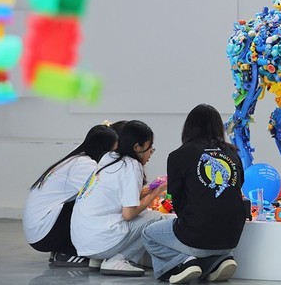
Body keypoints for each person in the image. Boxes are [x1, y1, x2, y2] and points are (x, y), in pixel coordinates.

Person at [143, 103, 246, 283]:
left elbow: (176, 199)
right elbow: (238, 187)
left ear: (189, 127)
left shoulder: (179, 155)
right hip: (232, 238)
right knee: (201, 235)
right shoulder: (232, 153)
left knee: (148, 234)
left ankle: (182, 264)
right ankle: (218, 260)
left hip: (196, 234)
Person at [71, 120, 169, 277]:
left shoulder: (109, 157)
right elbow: (128, 213)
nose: (151, 152)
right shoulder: (132, 166)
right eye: (150, 147)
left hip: (83, 240)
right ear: (137, 147)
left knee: (143, 217)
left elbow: (121, 197)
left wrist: (150, 188)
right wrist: (157, 191)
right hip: (99, 240)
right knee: (155, 219)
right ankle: (117, 260)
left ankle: (99, 259)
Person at [23, 124, 118, 267]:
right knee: (93, 206)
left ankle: (62, 250)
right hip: (43, 234)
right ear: (103, 149)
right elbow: (103, 196)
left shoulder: (75, 159)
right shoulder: (83, 165)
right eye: (113, 152)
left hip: (40, 229)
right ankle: (68, 252)